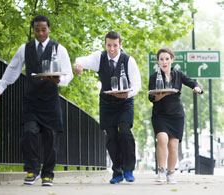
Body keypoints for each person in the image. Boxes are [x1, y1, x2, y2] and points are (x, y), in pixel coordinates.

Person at [0, 15, 73, 186]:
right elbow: (13, 69)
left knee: (50, 138)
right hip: (31, 100)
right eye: (37, 29)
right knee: (29, 133)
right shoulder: (25, 48)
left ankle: (48, 174)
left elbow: (68, 73)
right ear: (34, 30)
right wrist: (0, 89)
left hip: (50, 100)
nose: (40, 33)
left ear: (49, 29)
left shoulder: (59, 49)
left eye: (43, 29)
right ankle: (32, 169)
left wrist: (59, 80)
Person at [74, 31, 141, 184]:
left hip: (125, 103)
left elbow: (137, 85)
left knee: (124, 132)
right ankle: (117, 171)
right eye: (109, 45)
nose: (112, 49)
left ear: (120, 45)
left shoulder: (129, 60)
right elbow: (81, 60)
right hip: (107, 103)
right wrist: (78, 65)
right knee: (111, 137)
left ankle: (128, 169)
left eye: (115, 45)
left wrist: (126, 95)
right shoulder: (99, 57)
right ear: (105, 44)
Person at [148, 48, 203, 184]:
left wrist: (197, 88)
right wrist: (163, 94)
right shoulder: (154, 77)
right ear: (158, 62)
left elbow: (192, 82)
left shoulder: (178, 74)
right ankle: (161, 171)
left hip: (176, 115)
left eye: (167, 59)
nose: (164, 62)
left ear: (172, 60)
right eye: (161, 59)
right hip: (160, 113)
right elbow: (151, 97)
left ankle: (170, 173)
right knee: (162, 139)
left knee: (173, 145)